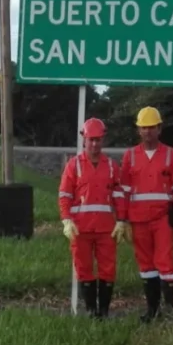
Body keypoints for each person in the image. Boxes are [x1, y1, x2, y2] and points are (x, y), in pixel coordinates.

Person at [58, 118, 129, 319]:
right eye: (91, 140)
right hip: (80, 229)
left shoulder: (112, 167)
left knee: (108, 270)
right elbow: (64, 195)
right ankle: (91, 311)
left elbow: (119, 196)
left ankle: (104, 312)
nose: (95, 144)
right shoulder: (74, 166)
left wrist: (122, 220)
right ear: (84, 140)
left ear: (103, 139)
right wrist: (66, 220)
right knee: (84, 269)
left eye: (98, 140)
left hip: (106, 229)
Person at [117, 106, 173, 323]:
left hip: (163, 218)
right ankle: (152, 310)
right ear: (138, 131)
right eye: (143, 128)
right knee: (146, 265)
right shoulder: (129, 156)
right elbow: (123, 191)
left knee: (166, 263)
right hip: (138, 219)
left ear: (159, 128)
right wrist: (122, 220)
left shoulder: (171, 155)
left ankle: (172, 312)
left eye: (151, 127)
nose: (147, 132)